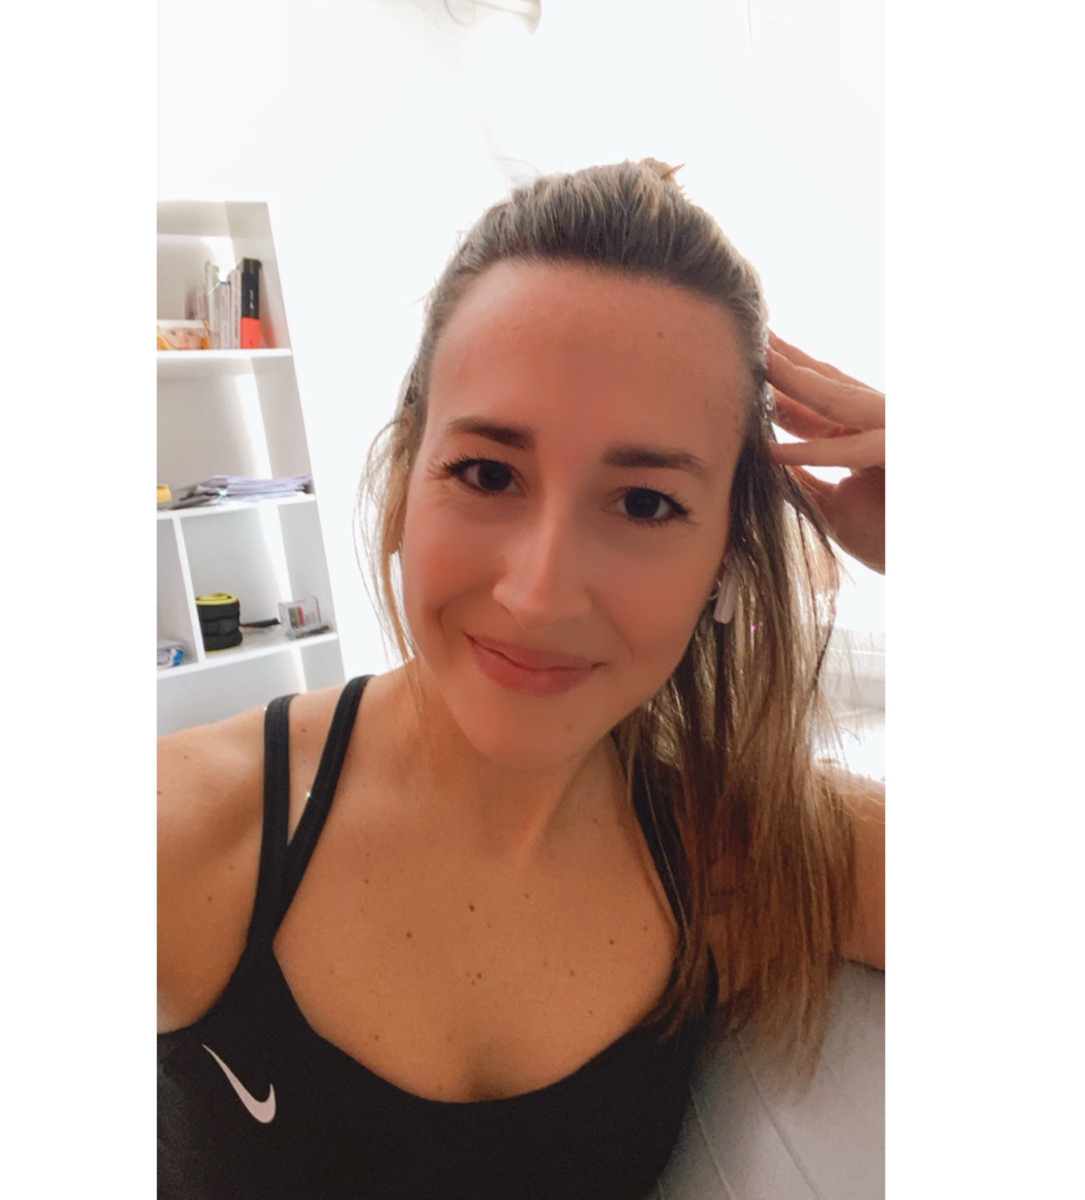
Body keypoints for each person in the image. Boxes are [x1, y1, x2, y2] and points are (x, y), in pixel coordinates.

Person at [157, 158, 885, 1200]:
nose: (538, 595)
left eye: (645, 503)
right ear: (406, 477)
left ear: (728, 551)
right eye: (488, 473)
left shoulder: (743, 850)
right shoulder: (188, 832)